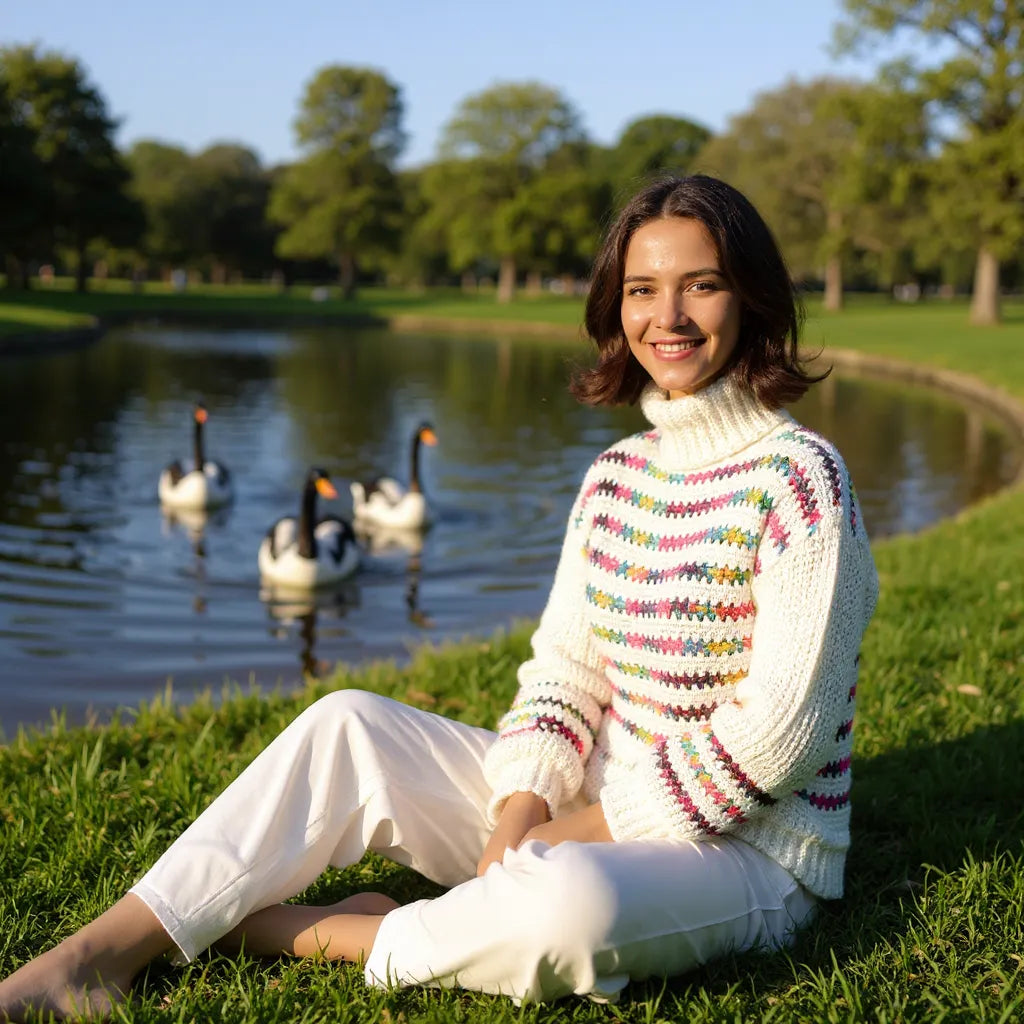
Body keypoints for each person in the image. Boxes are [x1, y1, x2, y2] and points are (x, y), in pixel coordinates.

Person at [0, 175, 878, 1018]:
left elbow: (775, 744)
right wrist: (524, 810)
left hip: (744, 855)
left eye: (703, 285)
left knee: (563, 908)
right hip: (585, 809)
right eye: (643, 289)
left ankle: (318, 932)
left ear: (751, 297)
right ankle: (98, 953)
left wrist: (557, 844)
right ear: (617, 305)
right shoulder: (617, 478)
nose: (668, 317)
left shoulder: (803, 481)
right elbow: (563, 676)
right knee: (347, 722)